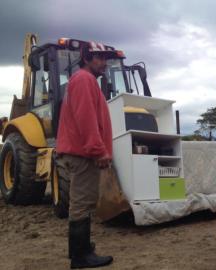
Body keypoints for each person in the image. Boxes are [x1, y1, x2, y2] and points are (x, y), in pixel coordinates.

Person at [56, 42, 117, 269]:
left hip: (82, 152)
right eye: (99, 58)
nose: (104, 62)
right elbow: (86, 119)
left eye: (105, 58)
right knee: (81, 203)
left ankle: (81, 250)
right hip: (82, 154)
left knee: (85, 200)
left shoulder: (86, 80)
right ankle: (80, 257)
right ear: (87, 59)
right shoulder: (83, 79)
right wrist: (98, 150)